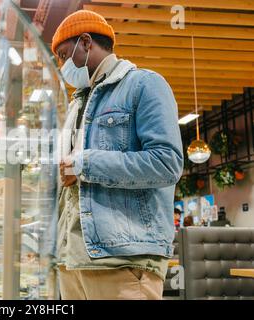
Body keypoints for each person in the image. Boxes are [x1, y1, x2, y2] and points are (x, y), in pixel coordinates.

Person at [52, 10, 183, 300]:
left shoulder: (144, 85)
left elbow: (166, 163)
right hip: (73, 261)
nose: (62, 66)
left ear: (86, 43)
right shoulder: (78, 103)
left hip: (122, 261)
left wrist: (84, 164)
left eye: (63, 55)